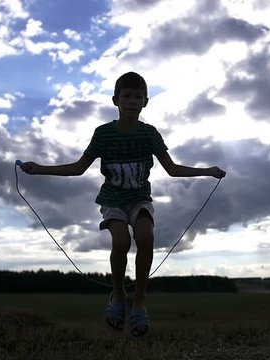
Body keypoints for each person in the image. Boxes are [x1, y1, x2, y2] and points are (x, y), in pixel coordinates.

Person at [19, 72, 226, 336]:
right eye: (126, 96)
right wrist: (40, 169)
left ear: (145, 102)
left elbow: (172, 169)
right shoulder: (103, 134)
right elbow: (79, 168)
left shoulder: (150, 134)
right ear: (116, 99)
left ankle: (139, 302)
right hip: (113, 200)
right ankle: (118, 295)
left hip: (140, 198)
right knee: (121, 241)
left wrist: (207, 171)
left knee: (145, 236)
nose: (132, 101)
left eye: (137, 96)